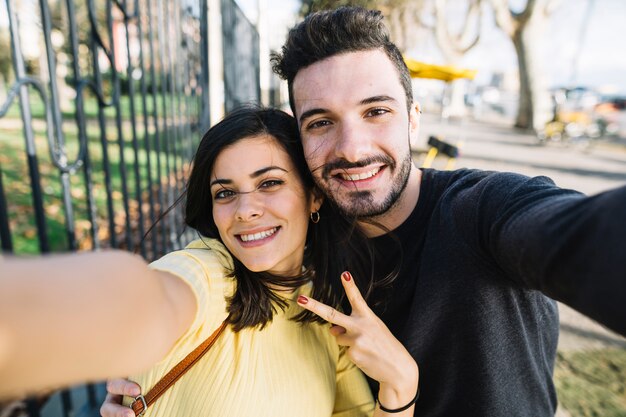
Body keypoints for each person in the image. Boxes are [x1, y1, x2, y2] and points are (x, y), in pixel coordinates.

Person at [103, 6, 626, 417]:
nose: (352, 148)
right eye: (321, 122)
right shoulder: (298, 249)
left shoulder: (488, 208)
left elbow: (579, 238)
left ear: (414, 118)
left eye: (376, 111)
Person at [0, 106, 420, 416]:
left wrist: (401, 384)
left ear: (313, 195)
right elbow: (142, 299)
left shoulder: (326, 311)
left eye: (269, 183)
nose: (244, 210)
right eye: (225, 192)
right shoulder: (206, 273)